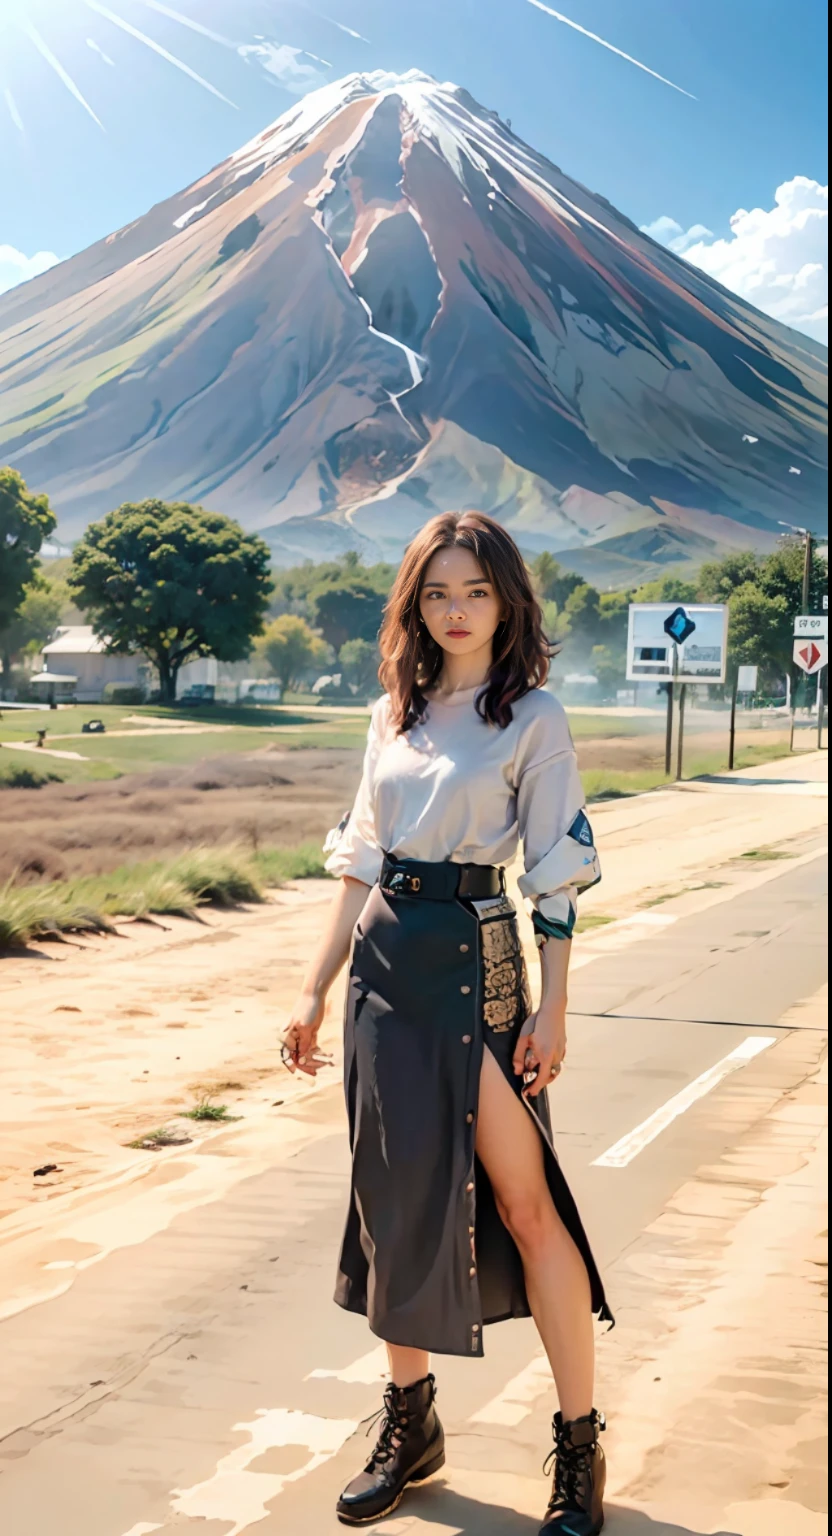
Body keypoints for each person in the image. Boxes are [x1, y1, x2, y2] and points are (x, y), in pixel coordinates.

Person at [282, 510, 611, 1534]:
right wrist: (312, 988)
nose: (456, 610)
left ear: (506, 597)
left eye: (473, 590)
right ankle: (410, 1423)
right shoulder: (394, 711)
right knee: (396, 1200)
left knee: (524, 1204)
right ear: (414, 606)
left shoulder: (536, 717)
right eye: (436, 593)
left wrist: (553, 1007)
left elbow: (555, 873)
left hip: (479, 961)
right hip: (386, 963)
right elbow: (360, 861)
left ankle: (577, 1446)